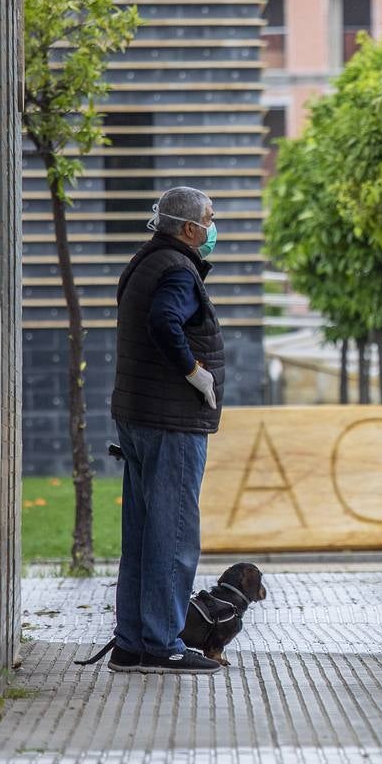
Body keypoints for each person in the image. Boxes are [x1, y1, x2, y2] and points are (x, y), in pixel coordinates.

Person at [107, 187, 225, 674]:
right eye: (210, 219)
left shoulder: (144, 262)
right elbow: (164, 322)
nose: (215, 227)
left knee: (142, 534)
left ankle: (131, 644)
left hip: (138, 416)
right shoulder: (177, 270)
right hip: (170, 420)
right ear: (190, 228)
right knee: (172, 534)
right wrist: (194, 372)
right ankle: (162, 644)